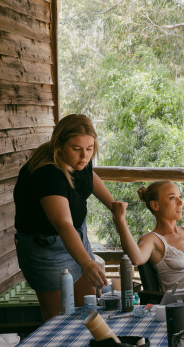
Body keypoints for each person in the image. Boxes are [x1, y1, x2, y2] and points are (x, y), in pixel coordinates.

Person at [13, 114, 114, 319]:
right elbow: (63, 224)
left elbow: (89, 177)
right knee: (58, 318)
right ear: (59, 144)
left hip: (77, 236)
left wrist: (113, 205)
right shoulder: (48, 174)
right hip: (47, 247)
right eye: (76, 148)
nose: (84, 156)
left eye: (89, 148)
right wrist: (87, 262)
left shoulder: (79, 161)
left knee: (89, 308)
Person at [112, 181, 184, 291]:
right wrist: (120, 220)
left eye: (179, 197)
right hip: (181, 301)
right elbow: (136, 259)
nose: (180, 202)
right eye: (172, 198)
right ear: (155, 205)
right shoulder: (152, 239)